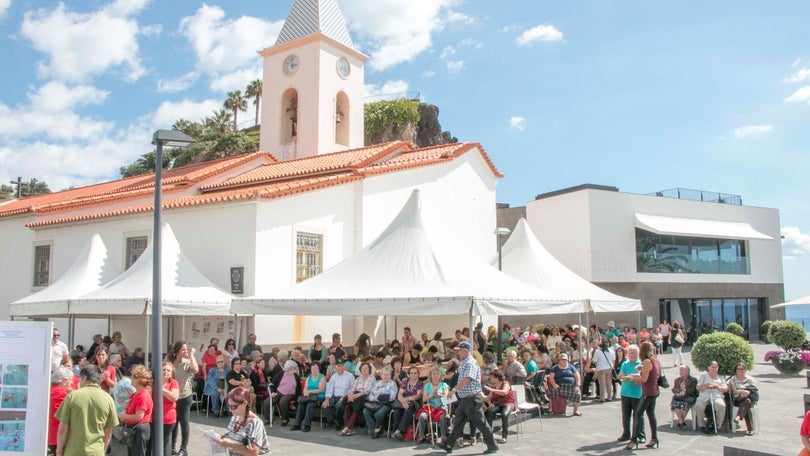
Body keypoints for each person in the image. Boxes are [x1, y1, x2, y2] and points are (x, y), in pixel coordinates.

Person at [437, 341, 499, 454]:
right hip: (465, 399)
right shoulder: (465, 362)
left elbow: (467, 379)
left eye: (459, 350)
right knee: (458, 422)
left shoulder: (471, 363)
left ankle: (492, 445)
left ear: (465, 350)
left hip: (471, 400)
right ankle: (448, 444)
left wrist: (454, 390)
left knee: (481, 423)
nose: (457, 353)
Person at [55, 364, 119, 456]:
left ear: (84, 378)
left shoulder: (72, 397)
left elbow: (62, 430)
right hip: (96, 451)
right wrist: (102, 450)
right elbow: (108, 433)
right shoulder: (108, 399)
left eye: (80, 379)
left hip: (73, 451)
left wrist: (59, 452)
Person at [624, 341, 660, 450]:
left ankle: (634, 439)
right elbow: (650, 373)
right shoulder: (656, 360)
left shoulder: (646, 361)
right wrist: (642, 369)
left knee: (637, 414)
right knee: (651, 414)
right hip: (654, 391)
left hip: (647, 392)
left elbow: (644, 379)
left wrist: (632, 378)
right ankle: (654, 438)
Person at [215, 387, 270, 455]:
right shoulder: (234, 418)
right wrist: (220, 437)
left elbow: (254, 453)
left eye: (233, 406)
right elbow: (231, 436)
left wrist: (231, 445)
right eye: (229, 406)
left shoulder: (255, 423)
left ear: (244, 403)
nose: (230, 410)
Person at [167, 340, 198, 456]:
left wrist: (191, 355)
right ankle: (172, 447)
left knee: (184, 421)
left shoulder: (186, 362)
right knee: (174, 422)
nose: (185, 351)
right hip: (172, 396)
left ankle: (184, 448)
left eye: (186, 349)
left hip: (185, 395)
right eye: (183, 349)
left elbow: (195, 369)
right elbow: (163, 368)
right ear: (177, 351)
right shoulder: (170, 362)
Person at [117, 365, 153, 456]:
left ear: (141, 379)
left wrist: (124, 416)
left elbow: (139, 416)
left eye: (134, 377)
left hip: (139, 428)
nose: (131, 378)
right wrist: (126, 408)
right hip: (133, 427)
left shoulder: (143, 395)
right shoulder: (135, 394)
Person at [339, 362, 375, 436]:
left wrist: (356, 395)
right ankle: (349, 428)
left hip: (364, 397)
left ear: (369, 370)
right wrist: (350, 396)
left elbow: (368, 391)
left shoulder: (372, 378)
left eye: (366, 368)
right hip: (355, 396)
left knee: (356, 403)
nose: (364, 370)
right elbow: (352, 388)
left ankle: (346, 428)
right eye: (363, 368)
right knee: (347, 405)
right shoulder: (358, 378)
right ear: (360, 370)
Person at [616, 345, 643, 442]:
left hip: (637, 394)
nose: (633, 355)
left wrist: (628, 377)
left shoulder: (640, 364)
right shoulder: (625, 364)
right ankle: (626, 433)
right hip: (625, 393)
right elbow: (621, 375)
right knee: (626, 415)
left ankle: (640, 435)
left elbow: (640, 378)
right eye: (631, 353)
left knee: (638, 415)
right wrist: (622, 376)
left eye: (635, 353)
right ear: (628, 354)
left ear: (638, 354)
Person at [416, 366, 450, 443]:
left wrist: (439, 395)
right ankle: (422, 436)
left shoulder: (444, 385)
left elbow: (447, 398)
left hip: (441, 407)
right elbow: (424, 399)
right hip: (430, 407)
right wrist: (431, 395)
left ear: (440, 375)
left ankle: (443, 436)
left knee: (443, 416)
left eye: (437, 374)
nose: (435, 376)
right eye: (434, 374)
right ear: (431, 375)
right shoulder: (427, 385)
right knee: (422, 416)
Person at [694, 360, 729, 434]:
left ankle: (718, 425)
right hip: (704, 395)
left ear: (718, 368)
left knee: (721, 405)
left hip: (717, 396)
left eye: (715, 367)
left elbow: (725, 389)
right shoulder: (703, 377)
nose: (714, 369)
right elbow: (698, 388)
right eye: (712, 367)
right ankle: (702, 424)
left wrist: (717, 387)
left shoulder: (721, 378)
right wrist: (707, 385)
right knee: (698, 405)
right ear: (708, 368)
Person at [363, 366, 397, 438]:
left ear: (390, 376)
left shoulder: (392, 384)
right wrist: (374, 398)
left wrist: (383, 396)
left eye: (387, 375)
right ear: (381, 375)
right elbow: (370, 395)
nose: (385, 376)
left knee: (378, 414)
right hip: (375, 403)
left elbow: (393, 397)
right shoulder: (377, 383)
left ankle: (377, 429)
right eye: (384, 374)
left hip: (386, 404)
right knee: (365, 411)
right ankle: (375, 429)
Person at [291, 362, 326, 432]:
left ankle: (307, 425)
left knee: (310, 405)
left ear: (319, 369)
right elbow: (305, 388)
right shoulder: (309, 378)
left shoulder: (322, 377)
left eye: (316, 368)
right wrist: (306, 392)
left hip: (318, 397)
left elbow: (320, 389)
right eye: (313, 368)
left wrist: (310, 391)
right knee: (301, 404)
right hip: (310, 397)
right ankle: (297, 424)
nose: (314, 370)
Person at [482, 370, 515, 444]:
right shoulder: (493, 386)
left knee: (504, 414)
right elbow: (488, 398)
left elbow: (504, 392)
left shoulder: (505, 383)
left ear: (497, 378)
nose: (490, 379)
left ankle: (504, 436)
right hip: (498, 404)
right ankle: (488, 435)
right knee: (489, 412)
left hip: (508, 403)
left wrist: (492, 390)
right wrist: (488, 402)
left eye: (492, 377)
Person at [391, 366, 424, 440]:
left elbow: (418, 396)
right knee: (396, 411)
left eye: (415, 373)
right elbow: (400, 395)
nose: (413, 375)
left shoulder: (420, 383)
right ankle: (395, 431)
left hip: (414, 402)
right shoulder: (405, 382)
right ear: (409, 374)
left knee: (409, 410)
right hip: (403, 401)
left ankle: (399, 431)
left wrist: (408, 399)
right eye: (411, 373)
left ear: (418, 374)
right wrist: (403, 402)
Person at [322, 361, 354, 429]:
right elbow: (329, 389)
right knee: (325, 405)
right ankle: (334, 421)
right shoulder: (333, 376)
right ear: (336, 367)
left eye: (342, 366)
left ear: (344, 367)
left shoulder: (350, 376)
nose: (340, 368)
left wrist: (344, 397)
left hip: (345, 397)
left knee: (338, 405)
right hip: (334, 397)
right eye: (338, 366)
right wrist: (327, 399)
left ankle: (338, 422)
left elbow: (353, 388)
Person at [48, 367, 73, 454]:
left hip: (49, 436)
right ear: (64, 381)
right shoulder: (62, 395)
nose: (72, 382)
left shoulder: (49, 391)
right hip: (58, 438)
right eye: (70, 380)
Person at [728, 362, 757, 435]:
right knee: (746, 404)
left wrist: (745, 392)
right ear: (736, 370)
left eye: (742, 369)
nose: (740, 370)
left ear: (745, 370)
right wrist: (742, 391)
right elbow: (734, 392)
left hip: (749, 398)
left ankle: (738, 416)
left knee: (747, 401)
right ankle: (750, 429)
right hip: (738, 399)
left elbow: (751, 390)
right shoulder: (733, 379)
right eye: (738, 369)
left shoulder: (750, 379)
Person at [272, 360, 302, 426]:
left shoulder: (296, 376)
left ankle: (285, 419)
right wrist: (272, 392)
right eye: (292, 368)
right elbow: (272, 383)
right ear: (287, 368)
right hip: (279, 391)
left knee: (283, 401)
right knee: (268, 401)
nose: (293, 370)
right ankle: (268, 419)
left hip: (290, 394)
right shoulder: (281, 374)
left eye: (294, 368)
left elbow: (298, 389)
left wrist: (297, 398)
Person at [670, 364, 698, 429]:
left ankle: (681, 421)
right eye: (680, 370)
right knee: (676, 404)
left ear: (687, 372)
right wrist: (680, 391)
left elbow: (693, 390)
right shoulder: (677, 380)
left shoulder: (693, 380)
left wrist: (684, 391)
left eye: (682, 370)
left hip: (689, 397)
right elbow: (674, 389)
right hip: (679, 397)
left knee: (685, 404)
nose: (680, 372)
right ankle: (681, 421)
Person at [161, 362, 180, 456]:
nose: (165, 372)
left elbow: (174, 397)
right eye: (164, 369)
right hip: (154, 418)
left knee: (164, 443)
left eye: (168, 370)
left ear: (172, 373)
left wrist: (162, 389)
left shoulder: (173, 383)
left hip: (167, 419)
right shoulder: (154, 382)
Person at [592, 337, 616, 402]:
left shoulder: (597, 351)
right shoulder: (611, 351)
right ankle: (609, 397)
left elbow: (594, 361)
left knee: (602, 384)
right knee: (609, 383)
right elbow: (613, 360)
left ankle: (602, 398)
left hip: (601, 369)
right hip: (609, 368)